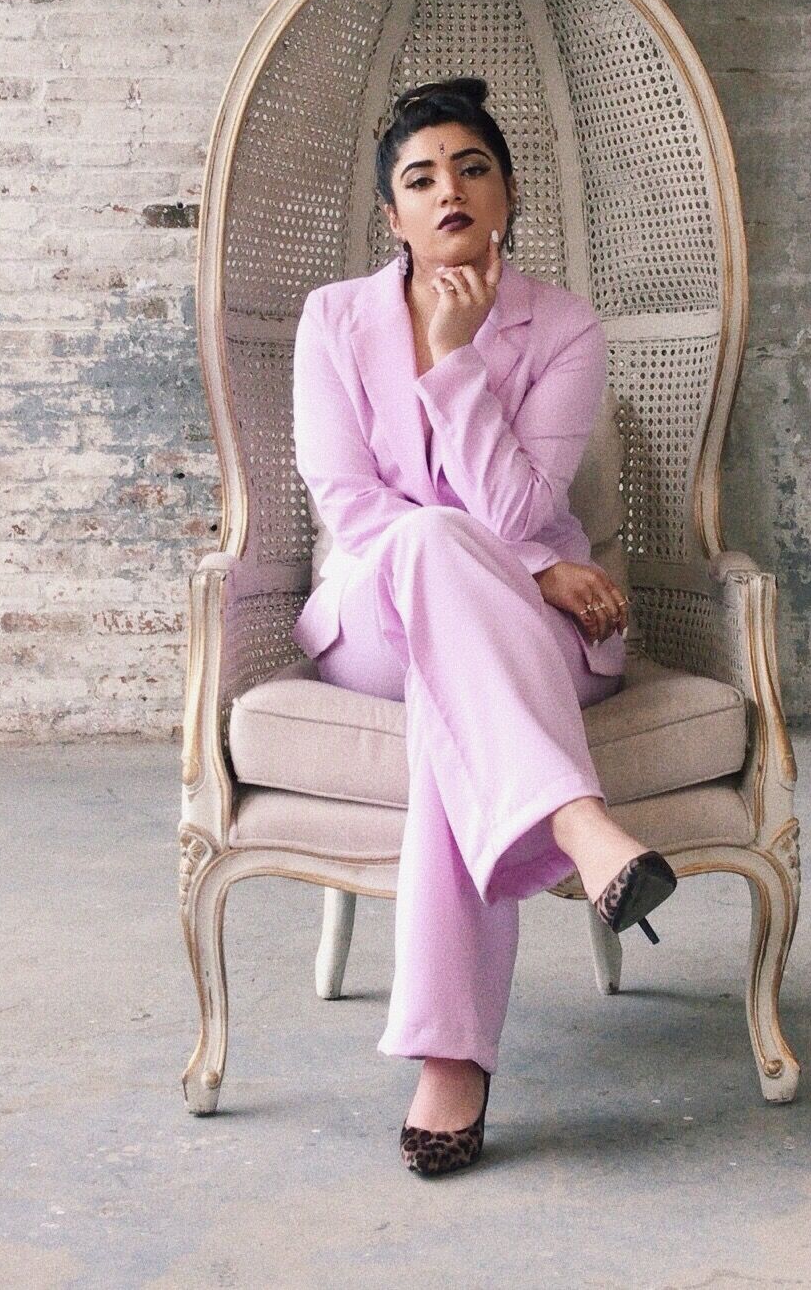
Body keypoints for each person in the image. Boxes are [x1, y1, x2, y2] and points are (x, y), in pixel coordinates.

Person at [289, 76, 678, 1178]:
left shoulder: (563, 326)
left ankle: (451, 1060)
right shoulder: (335, 319)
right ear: (393, 216)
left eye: (472, 168)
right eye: (420, 178)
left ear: (506, 195)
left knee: (452, 717)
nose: (448, 190)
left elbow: (517, 506)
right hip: (381, 618)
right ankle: (582, 827)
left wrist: (458, 360)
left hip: (530, 640)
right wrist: (543, 568)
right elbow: (351, 505)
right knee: (422, 544)